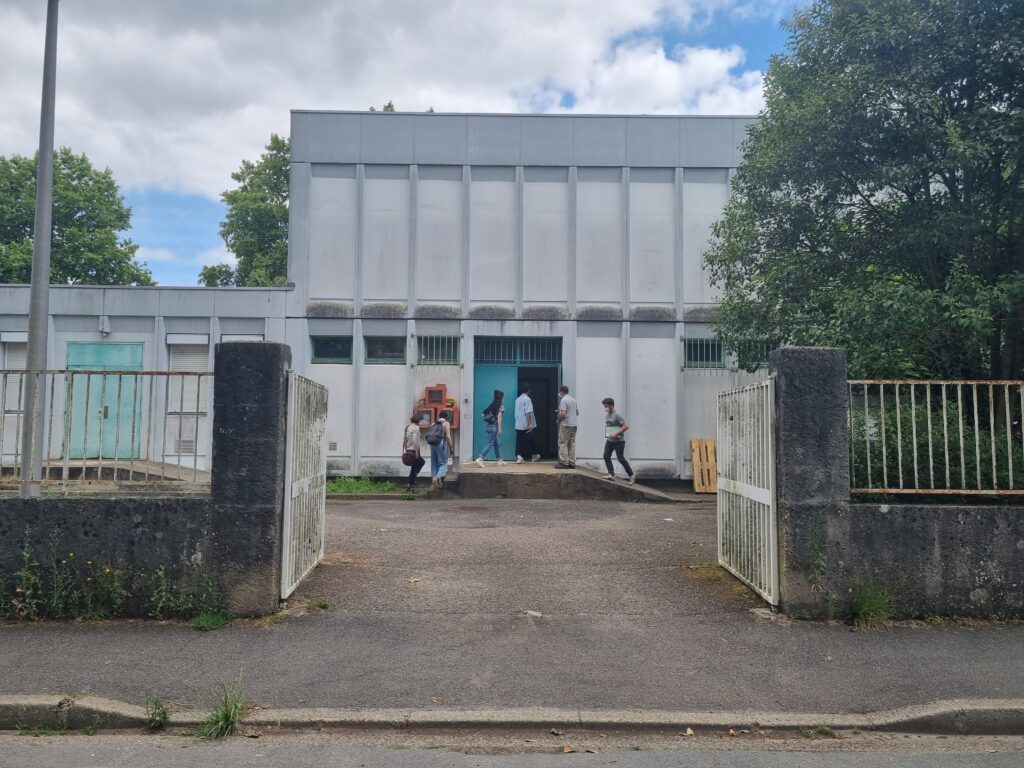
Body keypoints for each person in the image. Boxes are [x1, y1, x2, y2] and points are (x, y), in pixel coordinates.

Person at [602, 397, 636, 484]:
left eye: (606, 406)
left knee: (620, 459)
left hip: (619, 442)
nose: (605, 408)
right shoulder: (607, 415)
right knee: (606, 456)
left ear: (611, 405)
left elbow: (626, 426)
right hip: (610, 440)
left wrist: (617, 434)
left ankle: (631, 475)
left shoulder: (617, 415)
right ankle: (611, 475)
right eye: (604, 406)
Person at [474, 389, 507, 468]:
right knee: (489, 444)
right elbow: (499, 418)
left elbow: (483, 414)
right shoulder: (500, 405)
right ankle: (480, 458)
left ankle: (500, 460)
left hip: (489, 426)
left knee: (496, 444)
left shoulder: (492, 404)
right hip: (494, 427)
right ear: (501, 397)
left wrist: (490, 417)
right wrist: (499, 428)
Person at [513, 385, 541, 463]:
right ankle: (534, 455)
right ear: (528, 391)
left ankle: (519, 457)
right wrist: (530, 425)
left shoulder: (517, 399)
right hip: (525, 424)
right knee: (530, 439)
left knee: (519, 440)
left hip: (518, 423)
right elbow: (528, 413)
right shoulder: (528, 399)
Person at [555, 385, 578, 468]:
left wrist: (558, 420)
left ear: (561, 391)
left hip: (566, 425)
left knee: (563, 443)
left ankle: (564, 462)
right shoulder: (573, 400)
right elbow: (577, 412)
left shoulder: (563, 400)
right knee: (572, 443)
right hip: (574, 425)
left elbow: (563, 414)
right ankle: (572, 462)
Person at [429, 415, 454, 490]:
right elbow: (448, 437)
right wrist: (451, 447)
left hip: (432, 444)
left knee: (434, 463)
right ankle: (437, 477)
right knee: (443, 462)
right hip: (441, 443)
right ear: (446, 417)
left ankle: (434, 480)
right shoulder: (446, 423)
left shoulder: (433, 423)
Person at [403, 415, 426, 491]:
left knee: (414, 467)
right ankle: (411, 481)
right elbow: (414, 440)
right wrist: (416, 451)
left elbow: (405, 439)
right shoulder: (416, 428)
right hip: (414, 450)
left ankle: (410, 483)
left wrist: (407, 449)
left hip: (408, 449)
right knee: (421, 462)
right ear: (418, 421)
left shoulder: (408, 427)